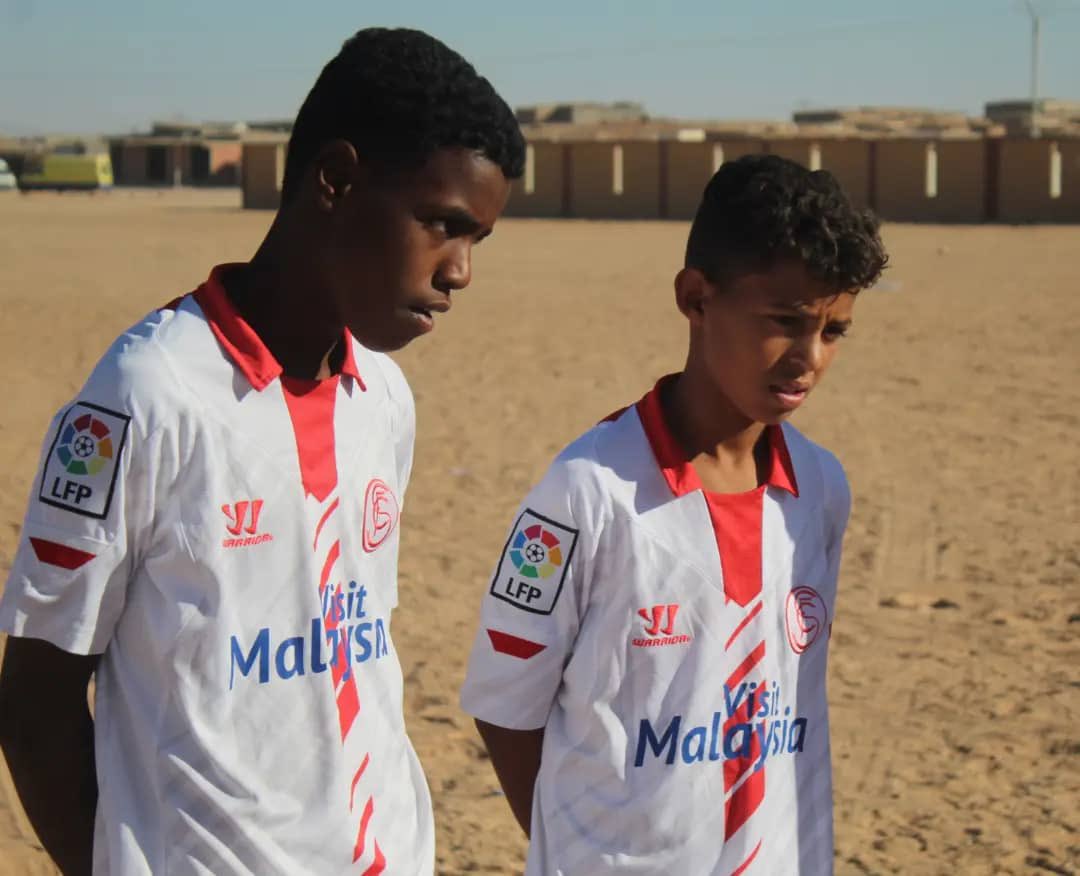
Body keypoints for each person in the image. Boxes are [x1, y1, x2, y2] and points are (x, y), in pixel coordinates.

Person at [0, 27, 524, 876]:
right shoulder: (148, 395)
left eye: (477, 242)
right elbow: (34, 704)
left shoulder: (383, 396)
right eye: (442, 225)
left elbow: (349, 649)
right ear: (336, 179)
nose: (460, 270)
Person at [459, 153, 888, 875]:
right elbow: (506, 707)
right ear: (695, 297)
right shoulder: (587, 492)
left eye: (835, 330)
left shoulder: (820, 490)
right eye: (785, 322)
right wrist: (582, 849)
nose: (809, 357)